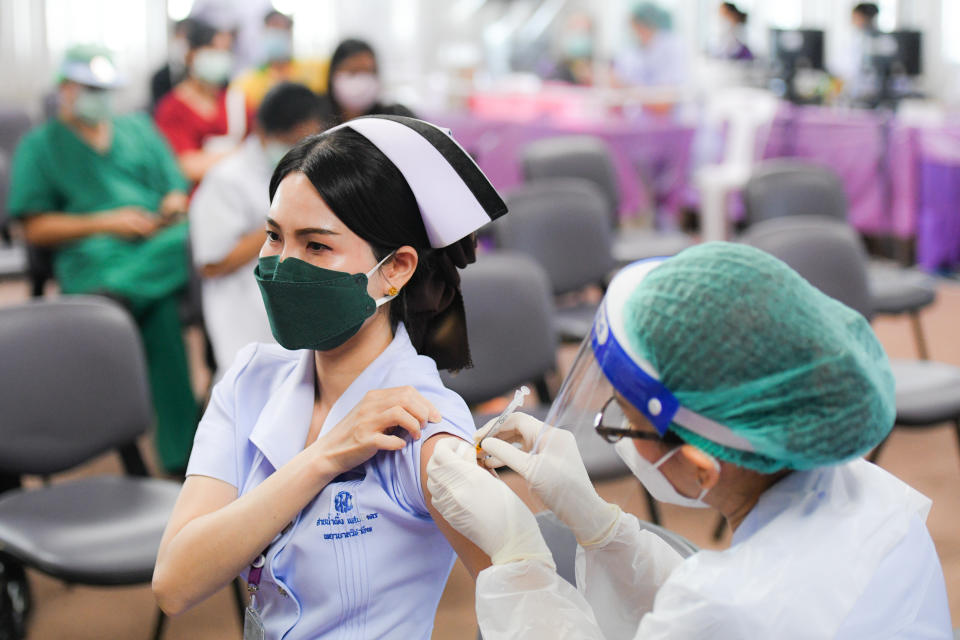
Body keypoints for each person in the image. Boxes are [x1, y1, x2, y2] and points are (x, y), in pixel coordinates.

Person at [427, 242, 953, 639]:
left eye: (621, 421)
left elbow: (714, 611)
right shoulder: (874, 497)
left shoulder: (731, 609)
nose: (611, 431)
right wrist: (603, 529)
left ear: (702, 467)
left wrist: (517, 564)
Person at [153, 115, 509, 638]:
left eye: (316, 246)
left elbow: (524, 595)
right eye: (275, 236)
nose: (283, 265)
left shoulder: (424, 429)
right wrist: (324, 457)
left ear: (395, 268)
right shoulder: (250, 380)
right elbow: (175, 582)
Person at [7, 45, 198, 474]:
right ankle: (180, 457)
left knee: (190, 235)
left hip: (155, 244)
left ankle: (118, 297)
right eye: (89, 88)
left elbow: (174, 185)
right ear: (65, 89)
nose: (98, 97)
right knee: (162, 313)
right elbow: (33, 227)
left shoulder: (137, 129)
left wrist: (169, 205)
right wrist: (106, 222)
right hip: (94, 257)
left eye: (104, 88)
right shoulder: (41, 145)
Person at [189, 82, 324, 374]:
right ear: (263, 131)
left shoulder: (311, 173)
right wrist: (282, 225)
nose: (298, 150)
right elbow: (212, 264)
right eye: (292, 140)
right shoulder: (227, 180)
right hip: (244, 314)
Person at [154, 20, 244, 184]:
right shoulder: (172, 108)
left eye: (225, 51)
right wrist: (238, 155)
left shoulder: (236, 102)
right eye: (213, 50)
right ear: (191, 55)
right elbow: (185, 167)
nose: (220, 57)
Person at [230, 10, 328, 112]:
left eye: (282, 29)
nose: (277, 34)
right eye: (272, 29)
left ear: (290, 34)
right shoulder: (247, 82)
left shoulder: (315, 69)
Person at [318, 39, 414, 128]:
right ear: (333, 73)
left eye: (369, 71)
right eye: (353, 71)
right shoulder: (315, 118)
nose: (361, 79)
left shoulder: (396, 118)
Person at [614, 2, 688, 88]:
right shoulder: (634, 49)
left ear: (647, 23)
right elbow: (622, 78)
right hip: (640, 99)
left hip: (668, 99)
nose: (634, 32)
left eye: (637, 26)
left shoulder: (672, 44)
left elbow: (672, 88)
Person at [150, 18, 194, 112]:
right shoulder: (160, 77)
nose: (182, 44)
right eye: (179, 37)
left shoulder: (206, 78)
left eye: (186, 40)